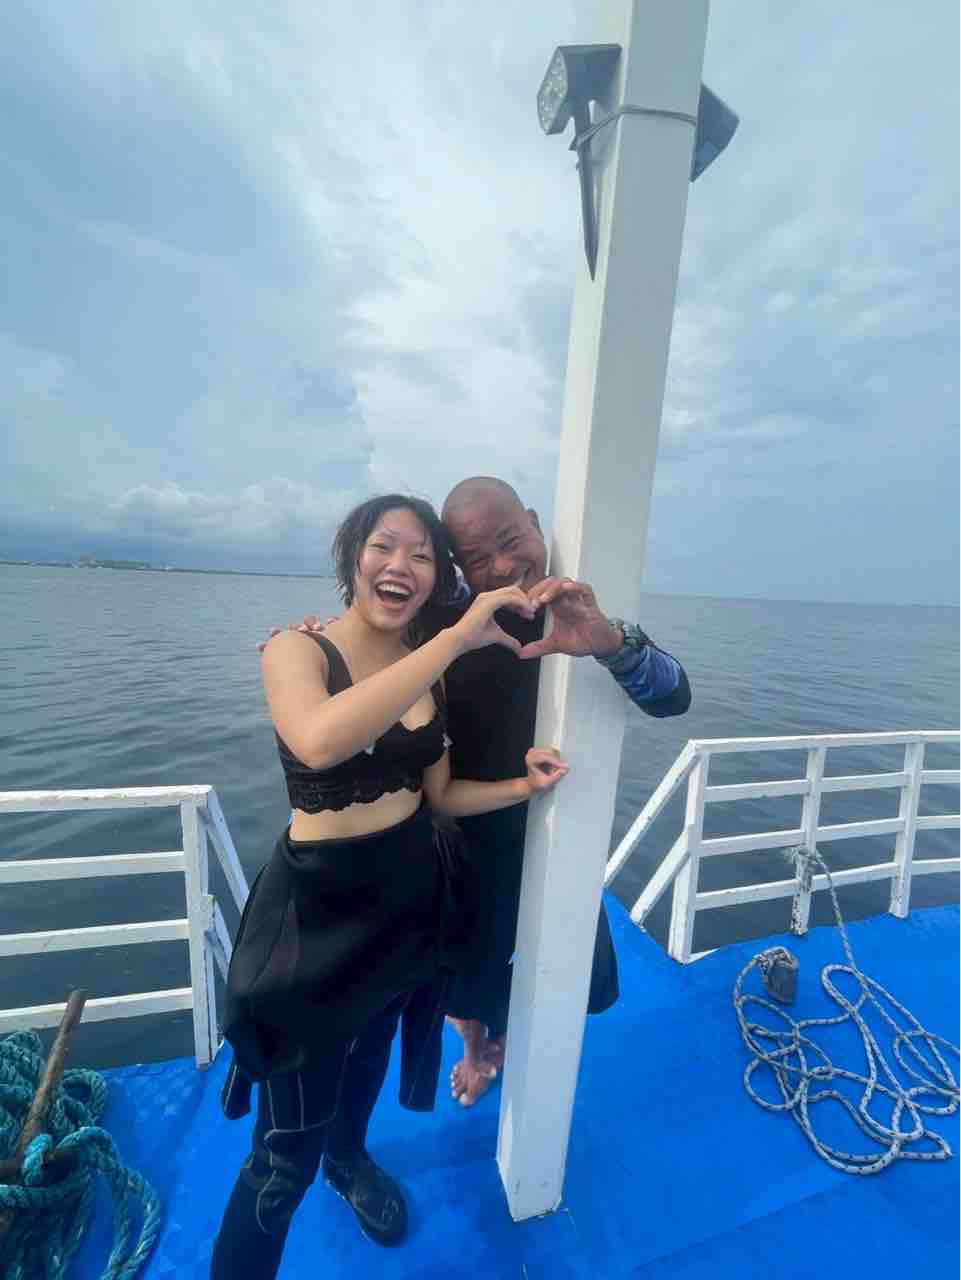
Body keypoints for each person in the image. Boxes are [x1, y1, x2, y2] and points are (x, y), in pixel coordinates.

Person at [212, 494, 568, 1278]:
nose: (400, 565)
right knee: (279, 1161)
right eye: (383, 546)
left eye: (422, 556)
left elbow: (438, 797)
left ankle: (349, 1161)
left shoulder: (423, 677)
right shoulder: (297, 652)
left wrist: (523, 785)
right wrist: (451, 638)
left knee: (369, 1054)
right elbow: (318, 739)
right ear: (352, 557)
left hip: (404, 906)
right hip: (315, 920)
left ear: (436, 577)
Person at [280, 476, 692, 1107]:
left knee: (561, 966)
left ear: (535, 523)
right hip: (461, 834)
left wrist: (608, 643)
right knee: (464, 977)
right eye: (477, 559)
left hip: (555, 828)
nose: (501, 566)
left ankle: (506, 1039)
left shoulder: (578, 608)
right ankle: (476, 1050)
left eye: (511, 540)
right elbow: (365, 650)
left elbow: (673, 697)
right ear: (458, 569)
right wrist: (313, 640)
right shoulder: (444, 624)